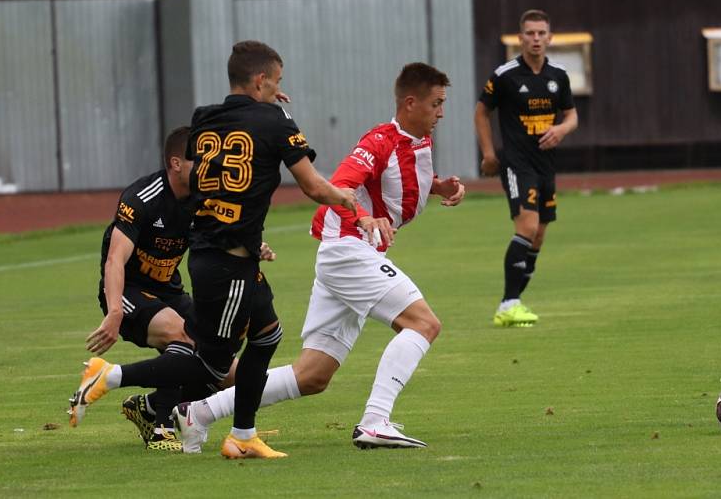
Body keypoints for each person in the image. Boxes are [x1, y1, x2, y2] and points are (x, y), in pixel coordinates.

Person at [67, 40, 358, 460]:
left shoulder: (204, 120)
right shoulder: (275, 119)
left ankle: (242, 434)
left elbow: (215, 190)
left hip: (217, 255)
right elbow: (313, 186)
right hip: (226, 263)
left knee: (267, 335)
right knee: (211, 366)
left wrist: (251, 238)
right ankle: (110, 377)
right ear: (261, 81)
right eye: (276, 82)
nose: (280, 90)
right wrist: (345, 198)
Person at [172, 62, 465, 453]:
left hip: (345, 253)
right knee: (423, 324)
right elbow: (342, 184)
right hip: (348, 249)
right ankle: (375, 421)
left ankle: (199, 413)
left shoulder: (417, 141)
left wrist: (438, 186)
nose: (442, 112)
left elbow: (400, 184)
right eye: (437, 104)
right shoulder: (379, 141)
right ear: (411, 103)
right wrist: (362, 215)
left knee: (313, 375)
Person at [86, 126, 195, 451]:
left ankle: (147, 407)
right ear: (176, 163)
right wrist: (115, 310)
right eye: (198, 160)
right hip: (127, 292)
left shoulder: (204, 196)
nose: (207, 168)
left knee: (222, 366)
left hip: (169, 292)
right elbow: (115, 261)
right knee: (181, 334)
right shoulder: (142, 198)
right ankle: (161, 428)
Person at [474, 9, 578, 327]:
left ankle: (513, 303)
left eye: (541, 33)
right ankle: (509, 303)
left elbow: (572, 116)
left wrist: (561, 129)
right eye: (530, 33)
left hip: (546, 166)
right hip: (517, 164)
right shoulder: (505, 75)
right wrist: (490, 154)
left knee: (539, 235)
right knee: (528, 226)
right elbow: (481, 112)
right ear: (520, 38)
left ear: (550, 37)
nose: (536, 39)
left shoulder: (558, 76)